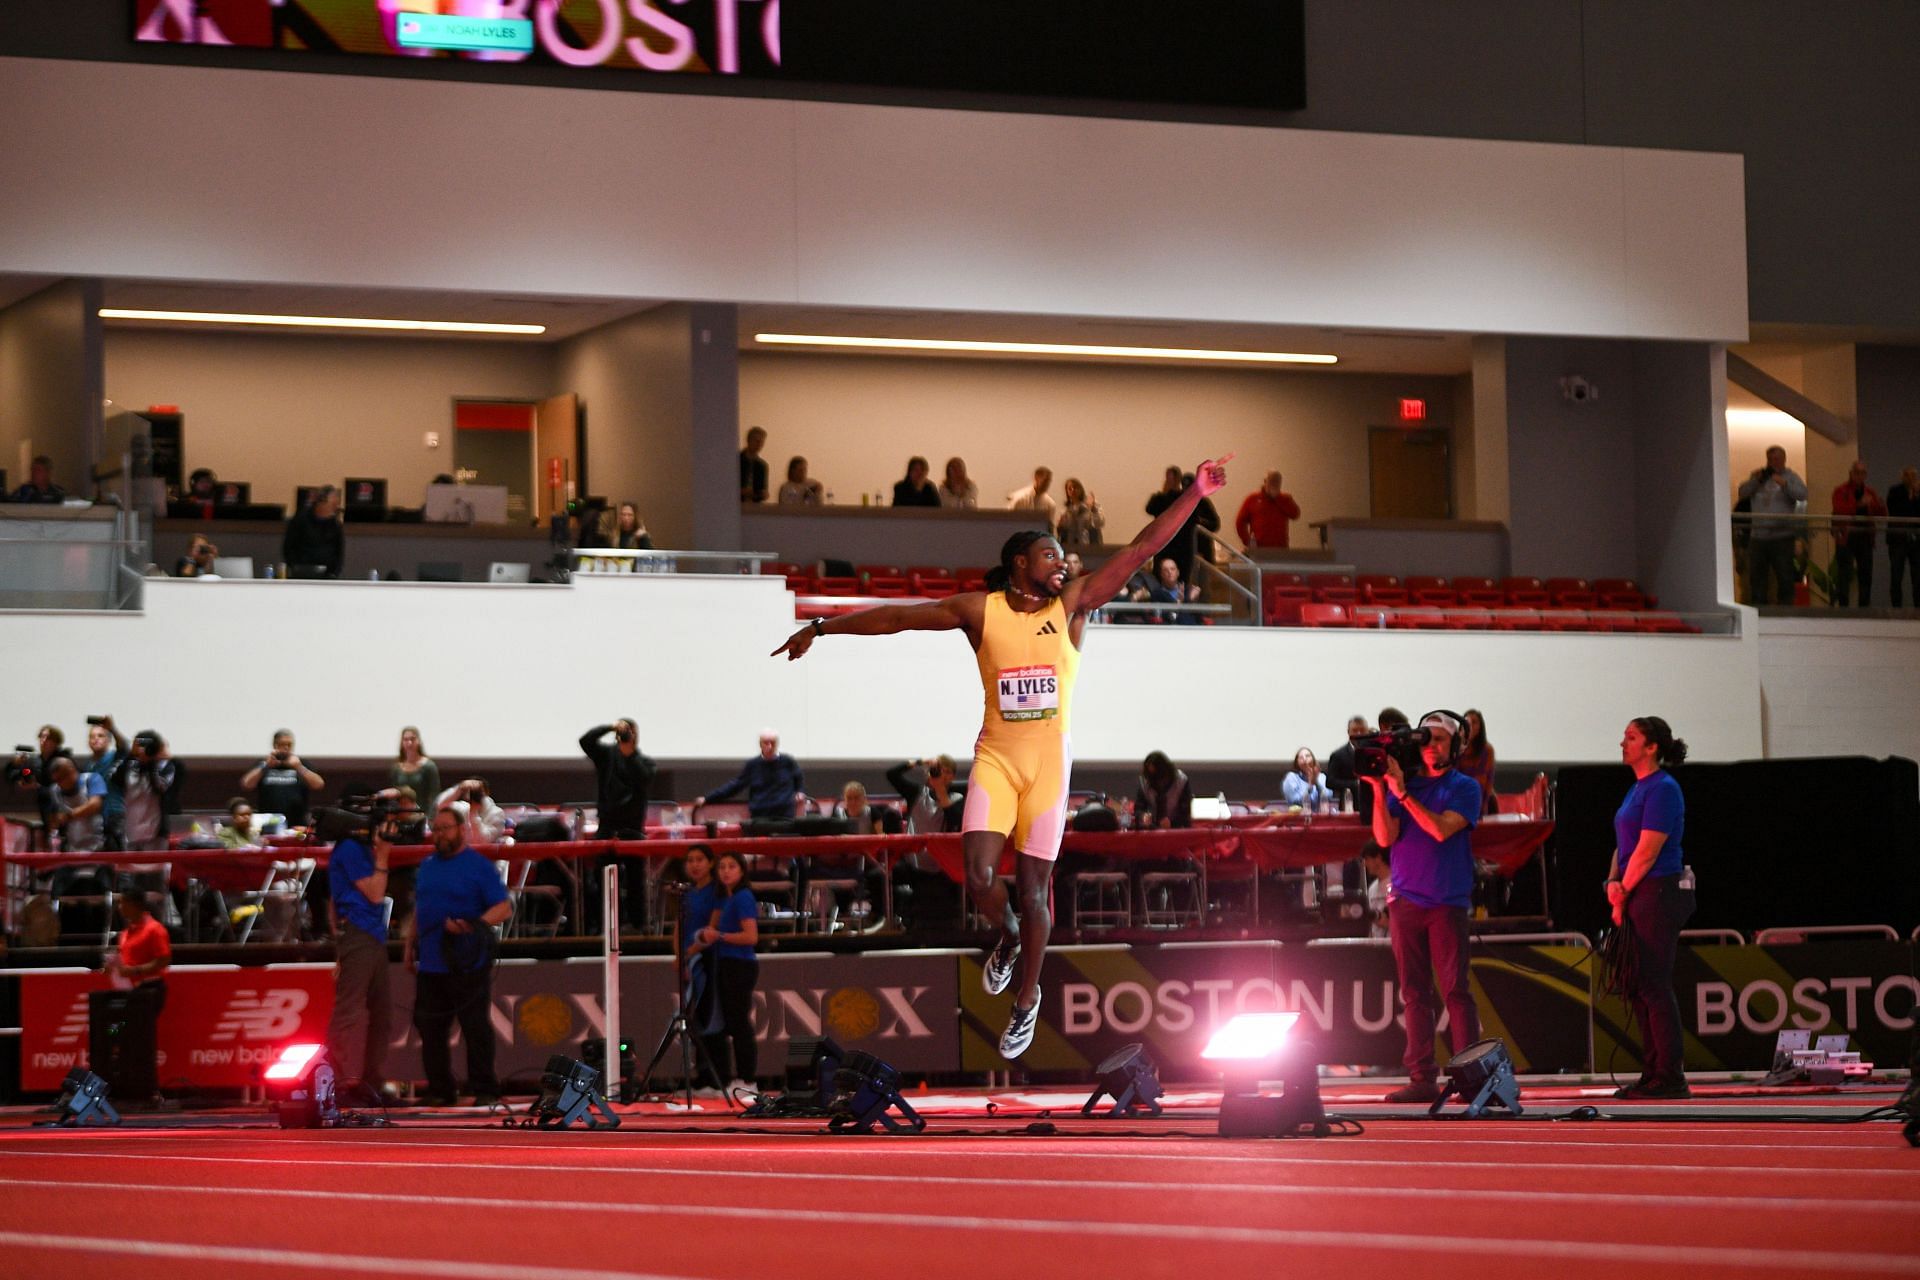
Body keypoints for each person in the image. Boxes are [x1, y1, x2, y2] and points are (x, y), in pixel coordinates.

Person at [772, 453, 1233, 1058]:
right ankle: (1010, 936)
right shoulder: (978, 609)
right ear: (1020, 562)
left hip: (1048, 763)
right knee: (981, 873)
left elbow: (1143, 547)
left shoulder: (1072, 607)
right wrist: (824, 626)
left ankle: (1025, 1000)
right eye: (1050, 555)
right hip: (996, 755)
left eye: (1063, 557)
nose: (1063, 564)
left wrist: (1196, 492)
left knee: (1036, 890)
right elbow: (898, 619)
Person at [1365, 710, 1482, 1103]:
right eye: (1426, 739)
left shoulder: (1464, 787)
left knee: (1455, 991)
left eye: (1440, 740)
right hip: (1406, 902)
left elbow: (1440, 829)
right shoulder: (1407, 784)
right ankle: (1421, 1077)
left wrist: (1402, 794)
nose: (1431, 747)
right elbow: (1384, 836)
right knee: (1414, 993)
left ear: (1457, 747)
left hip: (1446, 903)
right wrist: (1381, 789)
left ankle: (1471, 1075)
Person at [1607, 716, 1696, 1100]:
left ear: (1652, 747)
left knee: (1654, 984)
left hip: (1658, 890)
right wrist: (1614, 883)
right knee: (1641, 984)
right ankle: (1653, 1072)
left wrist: (1623, 890)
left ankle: (1670, 1075)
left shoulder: (1662, 788)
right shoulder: (1638, 790)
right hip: (1639, 891)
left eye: (1631, 737)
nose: (1622, 742)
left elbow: (1648, 849)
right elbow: (1623, 847)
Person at [406, 804, 511, 1107]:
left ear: (461, 830)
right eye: (436, 829)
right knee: (429, 1026)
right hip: (431, 961)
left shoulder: (479, 866)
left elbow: (503, 907)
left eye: (445, 828)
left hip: (467, 961)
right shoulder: (426, 866)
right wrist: (410, 943)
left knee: (475, 1026)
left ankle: (484, 1087)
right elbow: (421, 907)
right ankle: (440, 1089)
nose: (439, 834)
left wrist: (473, 925)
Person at [327, 803, 395, 1101]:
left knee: (383, 1015)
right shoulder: (351, 848)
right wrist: (383, 855)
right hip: (360, 932)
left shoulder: (356, 847)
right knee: (349, 1011)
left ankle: (372, 1083)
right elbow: (376, 893)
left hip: (371, 933)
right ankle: (334, 1083)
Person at [693, 849, 760, 1096]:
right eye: (722, 867)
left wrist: (719, 936)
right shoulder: (725, 898)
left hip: (740, 964)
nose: (726, 871)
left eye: (732, 866)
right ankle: (730, 1078)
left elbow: (751, 936)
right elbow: (712, 930)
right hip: (726, 963)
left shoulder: (743, 897)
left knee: (739, 1023)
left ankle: (748, 1080)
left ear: (741, 870)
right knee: (727, 1023)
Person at [675, 843, 728, 1095]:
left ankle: (716, 1076)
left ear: (710, 863)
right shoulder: (686, 894)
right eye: (690, 860)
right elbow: (678, 928)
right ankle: (701, 1074)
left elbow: (711, 928)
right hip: (689, 962)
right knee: (693, 1019)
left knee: (711, 1017)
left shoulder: (717, 891)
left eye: (699, 859)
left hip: (708, 961)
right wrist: (679, 957)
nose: (694, 865)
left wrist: (691, 953)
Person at [1737, 446, 1807, 605]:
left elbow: (1802, 494)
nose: (1773, 462)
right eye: (1770, 459)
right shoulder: (1759, 476)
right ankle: (1759, 611)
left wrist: (1784, 484)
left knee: (1785, 577)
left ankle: (1786, 611)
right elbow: (1742, 493)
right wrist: (1756, 480)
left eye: (1777, 459)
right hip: (1758, 537)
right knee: (1757, 578)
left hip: (1782, 537)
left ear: (1784, 459)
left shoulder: (1791, 476)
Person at [696, 731, 805, 824]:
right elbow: (735, 786)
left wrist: (800, 791)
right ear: (760, 744)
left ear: (778, 744)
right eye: (766, 743)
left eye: (773, 743)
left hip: (785, 817)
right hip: (760, 818)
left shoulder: (788, 762)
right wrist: (708, 798)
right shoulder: (753, 765)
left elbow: (798, 779)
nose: (770, 746)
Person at [105, 891, 171, 1036]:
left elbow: (163, 960)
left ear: (135, 905)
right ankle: (123, 1054)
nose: (120, 907)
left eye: (123, 903)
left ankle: (141, 1057)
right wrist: (112, 967)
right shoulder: (125, 934)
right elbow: (124, 960)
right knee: (115, 1030)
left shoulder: (155, 930)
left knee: (138, 1031)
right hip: (128, 991)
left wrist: (135, 971)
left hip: (148, 990)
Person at [1146, 466, 1221, 587]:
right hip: (1175, 550)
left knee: (1199, 587)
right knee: (1170, 585)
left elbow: (1215, 524)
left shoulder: (1202, 502)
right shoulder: (1174, 500)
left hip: (1198, 551)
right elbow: (1151, 508)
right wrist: (1167, 492)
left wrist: (1199, 522)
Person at [579, 720, 656, 836]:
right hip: (606, 826)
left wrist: (629, 756)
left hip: (633, 827)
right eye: (625, 733)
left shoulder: (646, 763)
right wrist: (610, 727)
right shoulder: (605, 755)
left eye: (632, 733)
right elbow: (585, 741)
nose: (630, 736)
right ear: (617, 736)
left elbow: (644, 779)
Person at [1831, 460, 1887, 607]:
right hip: (1846, 537)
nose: (1860, 476)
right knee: (1844, 574)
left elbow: (1880, 516)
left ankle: (1864, 608)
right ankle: (1844, 608)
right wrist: (1858, 505)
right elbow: (1839, 510)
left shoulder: (1870, 492)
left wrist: (1881, 506)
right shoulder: (1840, 491)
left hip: (1865, 537)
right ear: (1851, 473)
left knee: (1865, 575)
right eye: (1857, 473)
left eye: (1863, 473)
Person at [242, 730, 325, 828]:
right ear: (275, 745)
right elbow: (246, 784)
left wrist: (299, 767)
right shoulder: (264, 763)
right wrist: (265, 766)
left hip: (297, 823)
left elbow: (319, 784)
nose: (286, 748)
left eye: (289, 745)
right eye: (282, 744)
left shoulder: (302, 764)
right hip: (268, 822)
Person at [115, 728, 177, 851]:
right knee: (131, 868)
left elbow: (159, 788)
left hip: (155, 832)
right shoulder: (128, 765)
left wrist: (150, 762)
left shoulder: (165, 767)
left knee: (155, 868)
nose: (143, 749)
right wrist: (131, 755)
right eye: (140, 744)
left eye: (147, 746)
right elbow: (116, 781)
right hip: (130, 830)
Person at [282, 485, 345, 579]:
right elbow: (288, 546)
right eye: (333, 505)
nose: (336, 508)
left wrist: (334, 572)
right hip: (301, 573)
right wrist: (294, 566)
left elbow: (339, 552)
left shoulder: (335, 525)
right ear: (321, 502)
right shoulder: (300, 520)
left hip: (327, 575)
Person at [46, 757, 106, 852]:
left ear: (72, 771)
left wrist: (69, 816)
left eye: (62, 778)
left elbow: (95, 805)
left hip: (97, 845)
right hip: (72, 847)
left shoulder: (91, 779)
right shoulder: (55, 790)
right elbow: (54, 820)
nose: (60, 783)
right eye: (56, 780)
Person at [1235, 470, 1302, 550]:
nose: (1274, 484)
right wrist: (1247, 541)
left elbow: (1295, 514)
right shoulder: (1253, 499)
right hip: (1258, 549)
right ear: (1265, 481)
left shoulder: (1286, 499)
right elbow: (1240, 522)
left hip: (1281, 549)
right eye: (1272, 481)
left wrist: (1278, 498)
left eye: (1277, 482)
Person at [436, 777, 508, 845]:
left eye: (478, 792)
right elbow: (440, 806)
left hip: (486, 855)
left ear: (487, 793)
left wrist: (473, 813)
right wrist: (459, 788)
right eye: (470, 792)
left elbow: (482, 841)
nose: (474, 795)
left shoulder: (497, 813)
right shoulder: (463, 808)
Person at [1130, 556, 1201, 623]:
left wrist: (1193, 601)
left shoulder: (1188, 592)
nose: (1170, 572)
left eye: (1172, 569)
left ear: (1178, 572)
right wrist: (1183, 602)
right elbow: (1170, 619)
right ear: (1161, 574)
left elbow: (1197, 619)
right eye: (1165, 570)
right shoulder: (1158, 594)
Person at [1888, 465, 1920, 608]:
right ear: (1903, 477)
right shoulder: (1895, 492)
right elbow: (1896, 511)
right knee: (1896, 575)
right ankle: (1896, 607)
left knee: (1918, 577)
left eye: (1914, 476)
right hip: (1898, 539)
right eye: (1909, 476)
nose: (1912, 479)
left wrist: (1916, 497)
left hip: (1916, 540)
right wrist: (1910, 497)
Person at [1133, 751, 1192, 829]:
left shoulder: (1181, 782)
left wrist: (1172, 823)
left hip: (1177, 830)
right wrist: (1143, 816)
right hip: (1152, 830)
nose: (1158, 784)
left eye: (1159, 778)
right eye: (1153, 779)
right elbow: (1138, 808)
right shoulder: (1145, 782)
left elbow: (1186, 813)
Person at [1326, 715, 1370, 816]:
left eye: (1362, 730)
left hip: (1373, 808)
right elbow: (1330, 782)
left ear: (1367, 731)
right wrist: (1354, 784)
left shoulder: (1376, 753)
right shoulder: (1338, 755)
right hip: (1348, 807)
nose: (1359, 734)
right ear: (1348, 732)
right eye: (1355, 730)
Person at [1456, 709, 1497, 814]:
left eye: (1474, 722)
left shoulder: (1487, 750)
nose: (1470, 725)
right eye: (1467, 722)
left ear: (1480, 727)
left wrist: (1484, 804)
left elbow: (1489, 779)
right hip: (1458, 797)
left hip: (1481, 797)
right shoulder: (1454, 748)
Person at [389, 726, 440, 812]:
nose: (409, 743)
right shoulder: (396, 768)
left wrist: (430, 819)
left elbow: (434, 796)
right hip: (402, 814)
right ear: (402, 743)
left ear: (419, 741)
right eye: (406, 739)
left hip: (423, 814)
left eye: (412, 739)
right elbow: (394, 794)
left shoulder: (429, 766)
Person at [1054, 478, 1104, 547]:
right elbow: (1061, 534)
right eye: (1070, 489)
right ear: (1067, 492)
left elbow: (1100, 523)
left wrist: (1093, 508)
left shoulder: (1092, 505)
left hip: (1090, 546)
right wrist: (1060, 526)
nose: (1073, 490)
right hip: (1072, 547)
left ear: (1081, 489)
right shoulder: (1065, 511)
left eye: (1075, 487)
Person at [1282, 746, 1332, 811]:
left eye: (1307, 756)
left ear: (1313, 759)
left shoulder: (1322, 777)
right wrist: (1310, 786)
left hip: (1320, 817)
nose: (1305, 759)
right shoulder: (1291, 778)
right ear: (1297, 763)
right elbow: (1295, 801)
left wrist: (1316, 782)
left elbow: (1328, 797)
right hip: (1299, 818)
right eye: (1301, 757)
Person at [1361, 842, 1391, 939]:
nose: (1365, 864)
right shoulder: (1372, 888)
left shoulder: (1398, 885)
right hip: (1376, 944)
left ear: (1378, 858)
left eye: (1367, 859)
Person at [739, 427, 770, 503]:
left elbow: (763, 490)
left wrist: (764, 494)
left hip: (755, 507)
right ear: (748, 440)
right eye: (757, 441)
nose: (759, 444)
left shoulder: (762, 466)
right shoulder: (736, 461)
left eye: (762, 442)